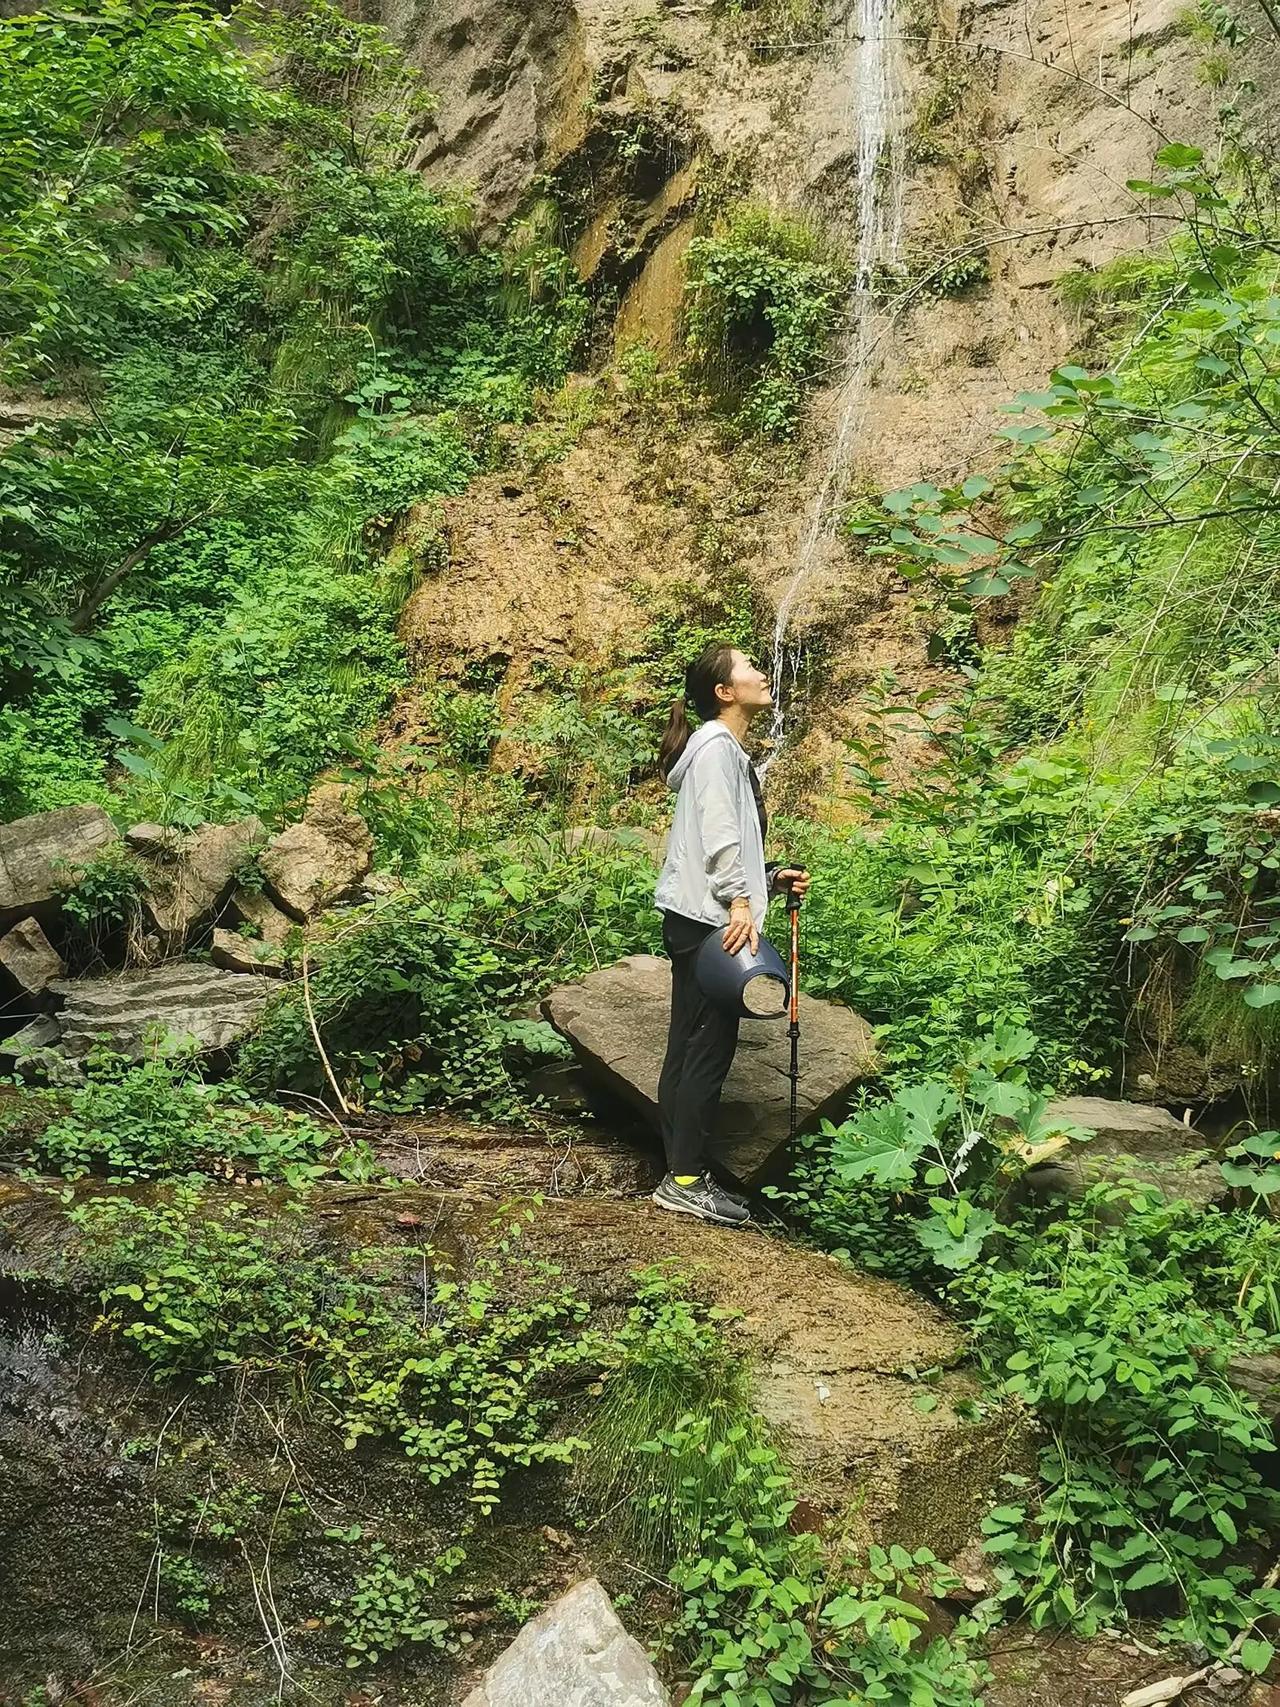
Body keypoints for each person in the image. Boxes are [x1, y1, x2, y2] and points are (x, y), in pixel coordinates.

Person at [651, 643, 810, 1227]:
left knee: (689, 1045)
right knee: (707, 1050)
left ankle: (681, 1170)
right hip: (709, 920)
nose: (762, 675)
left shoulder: (717, 749)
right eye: (750, 669)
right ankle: (684, 1181)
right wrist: (740, 899)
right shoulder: (716, 748)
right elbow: (720, 835)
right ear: (724, 692)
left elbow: (719, 840)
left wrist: (765, 878)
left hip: (696, 915)